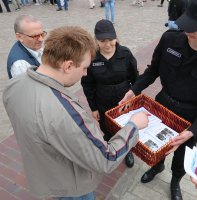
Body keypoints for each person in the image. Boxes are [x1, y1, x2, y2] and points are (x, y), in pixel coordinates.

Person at [3, 26, 149, 200]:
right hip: (71, 184)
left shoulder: (14, 84)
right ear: (68, 65)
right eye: (85, 67)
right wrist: (133, 125)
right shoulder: (65, 112)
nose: (86, 73)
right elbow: (106, 159)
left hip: (45, 171)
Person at [119, 0, 197, 199]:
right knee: (156, 148)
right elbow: (153, 70)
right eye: (187, 21)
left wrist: (192, 131)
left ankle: (175, 181)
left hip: (189, 118)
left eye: (196, 26)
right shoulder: (169, 40)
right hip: (162, 105)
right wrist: (134, 89)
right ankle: (157, 167)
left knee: (182, 157)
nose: (187, 29)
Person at [81, 19, 139, 168]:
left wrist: (135, 99)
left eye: (111, 40)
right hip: (103, 102)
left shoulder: (125, 53)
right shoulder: (92, 57)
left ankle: (128, 150)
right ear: (96, 40)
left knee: (126, 127)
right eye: (102, 40)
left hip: (124, 101)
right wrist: (93, 108)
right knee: (107, 129)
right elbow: (87, 85)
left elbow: (135, 78)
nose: (107, 44)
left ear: (116, 37)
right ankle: (110, 150)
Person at [7, 15, 46, 79]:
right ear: (19, 37)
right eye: (35, 36)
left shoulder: (33, 46)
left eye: (42, 34)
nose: (41, 39)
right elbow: (27, 88)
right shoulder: (20, 65)